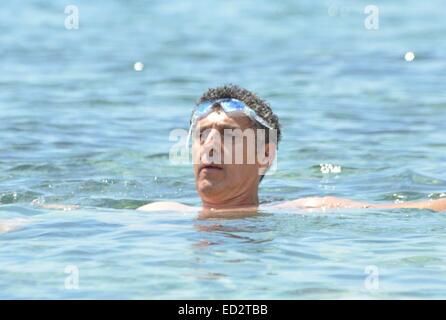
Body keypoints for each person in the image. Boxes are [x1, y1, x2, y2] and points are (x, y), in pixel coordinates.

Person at [137, 84, 446, 215]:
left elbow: (408, 211)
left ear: (265, 156)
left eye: (229, 135)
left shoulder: (304, 210)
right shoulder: (158, 215)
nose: (211, 146)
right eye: (203, 135)